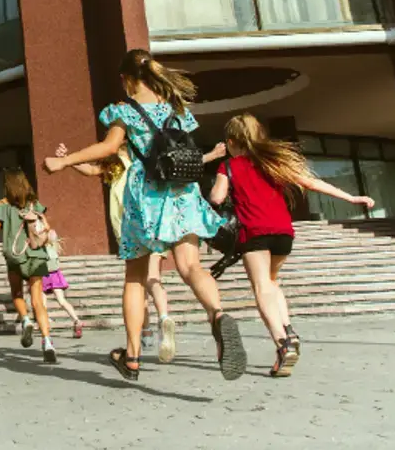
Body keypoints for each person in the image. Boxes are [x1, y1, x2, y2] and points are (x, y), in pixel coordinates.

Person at [44, 48, 247, 382]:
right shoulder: (176, 108)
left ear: (126, 79)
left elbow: (109, 148)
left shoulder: (124, 111)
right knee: (191, 266)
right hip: (182, 194)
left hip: (148, 198)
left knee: (136, 277)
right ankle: (218, 314)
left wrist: (64, 161)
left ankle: (133, 356)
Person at [210, 113, 374, 377]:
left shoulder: (229, 166)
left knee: (262, 287)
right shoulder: (273, 160)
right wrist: (352, 198)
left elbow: (217, 198)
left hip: (254, 232)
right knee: (273, 282)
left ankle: (282, 343)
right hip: (283, 232)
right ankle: (289, 330)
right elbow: (311, 182)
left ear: (231, 141)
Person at [56, 140, 226, 362]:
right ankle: (190, 315)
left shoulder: (126, 161)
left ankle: (141, 342)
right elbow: (179, 162)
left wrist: (67, 159)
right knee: (168, 273)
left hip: (137, 225)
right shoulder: (143, 160)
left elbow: (92, 165)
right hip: (164, 215)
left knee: (139, 280)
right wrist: (211, 155)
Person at [0, 168, 58, 363]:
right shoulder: (35, 204)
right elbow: (47, 227)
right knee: (38, 301)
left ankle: (25, 321)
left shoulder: (2, 205)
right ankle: (48, 343)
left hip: (15, 257)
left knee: (17, 294)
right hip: (36, 255)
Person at [36, 229, 84, 340]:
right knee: (62, 301)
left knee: (42, 304)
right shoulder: (54, 247)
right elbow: (52, 235)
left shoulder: (43, 247)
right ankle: (76, 320)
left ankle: (46, 323)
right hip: (55, 274)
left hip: (43, 274)